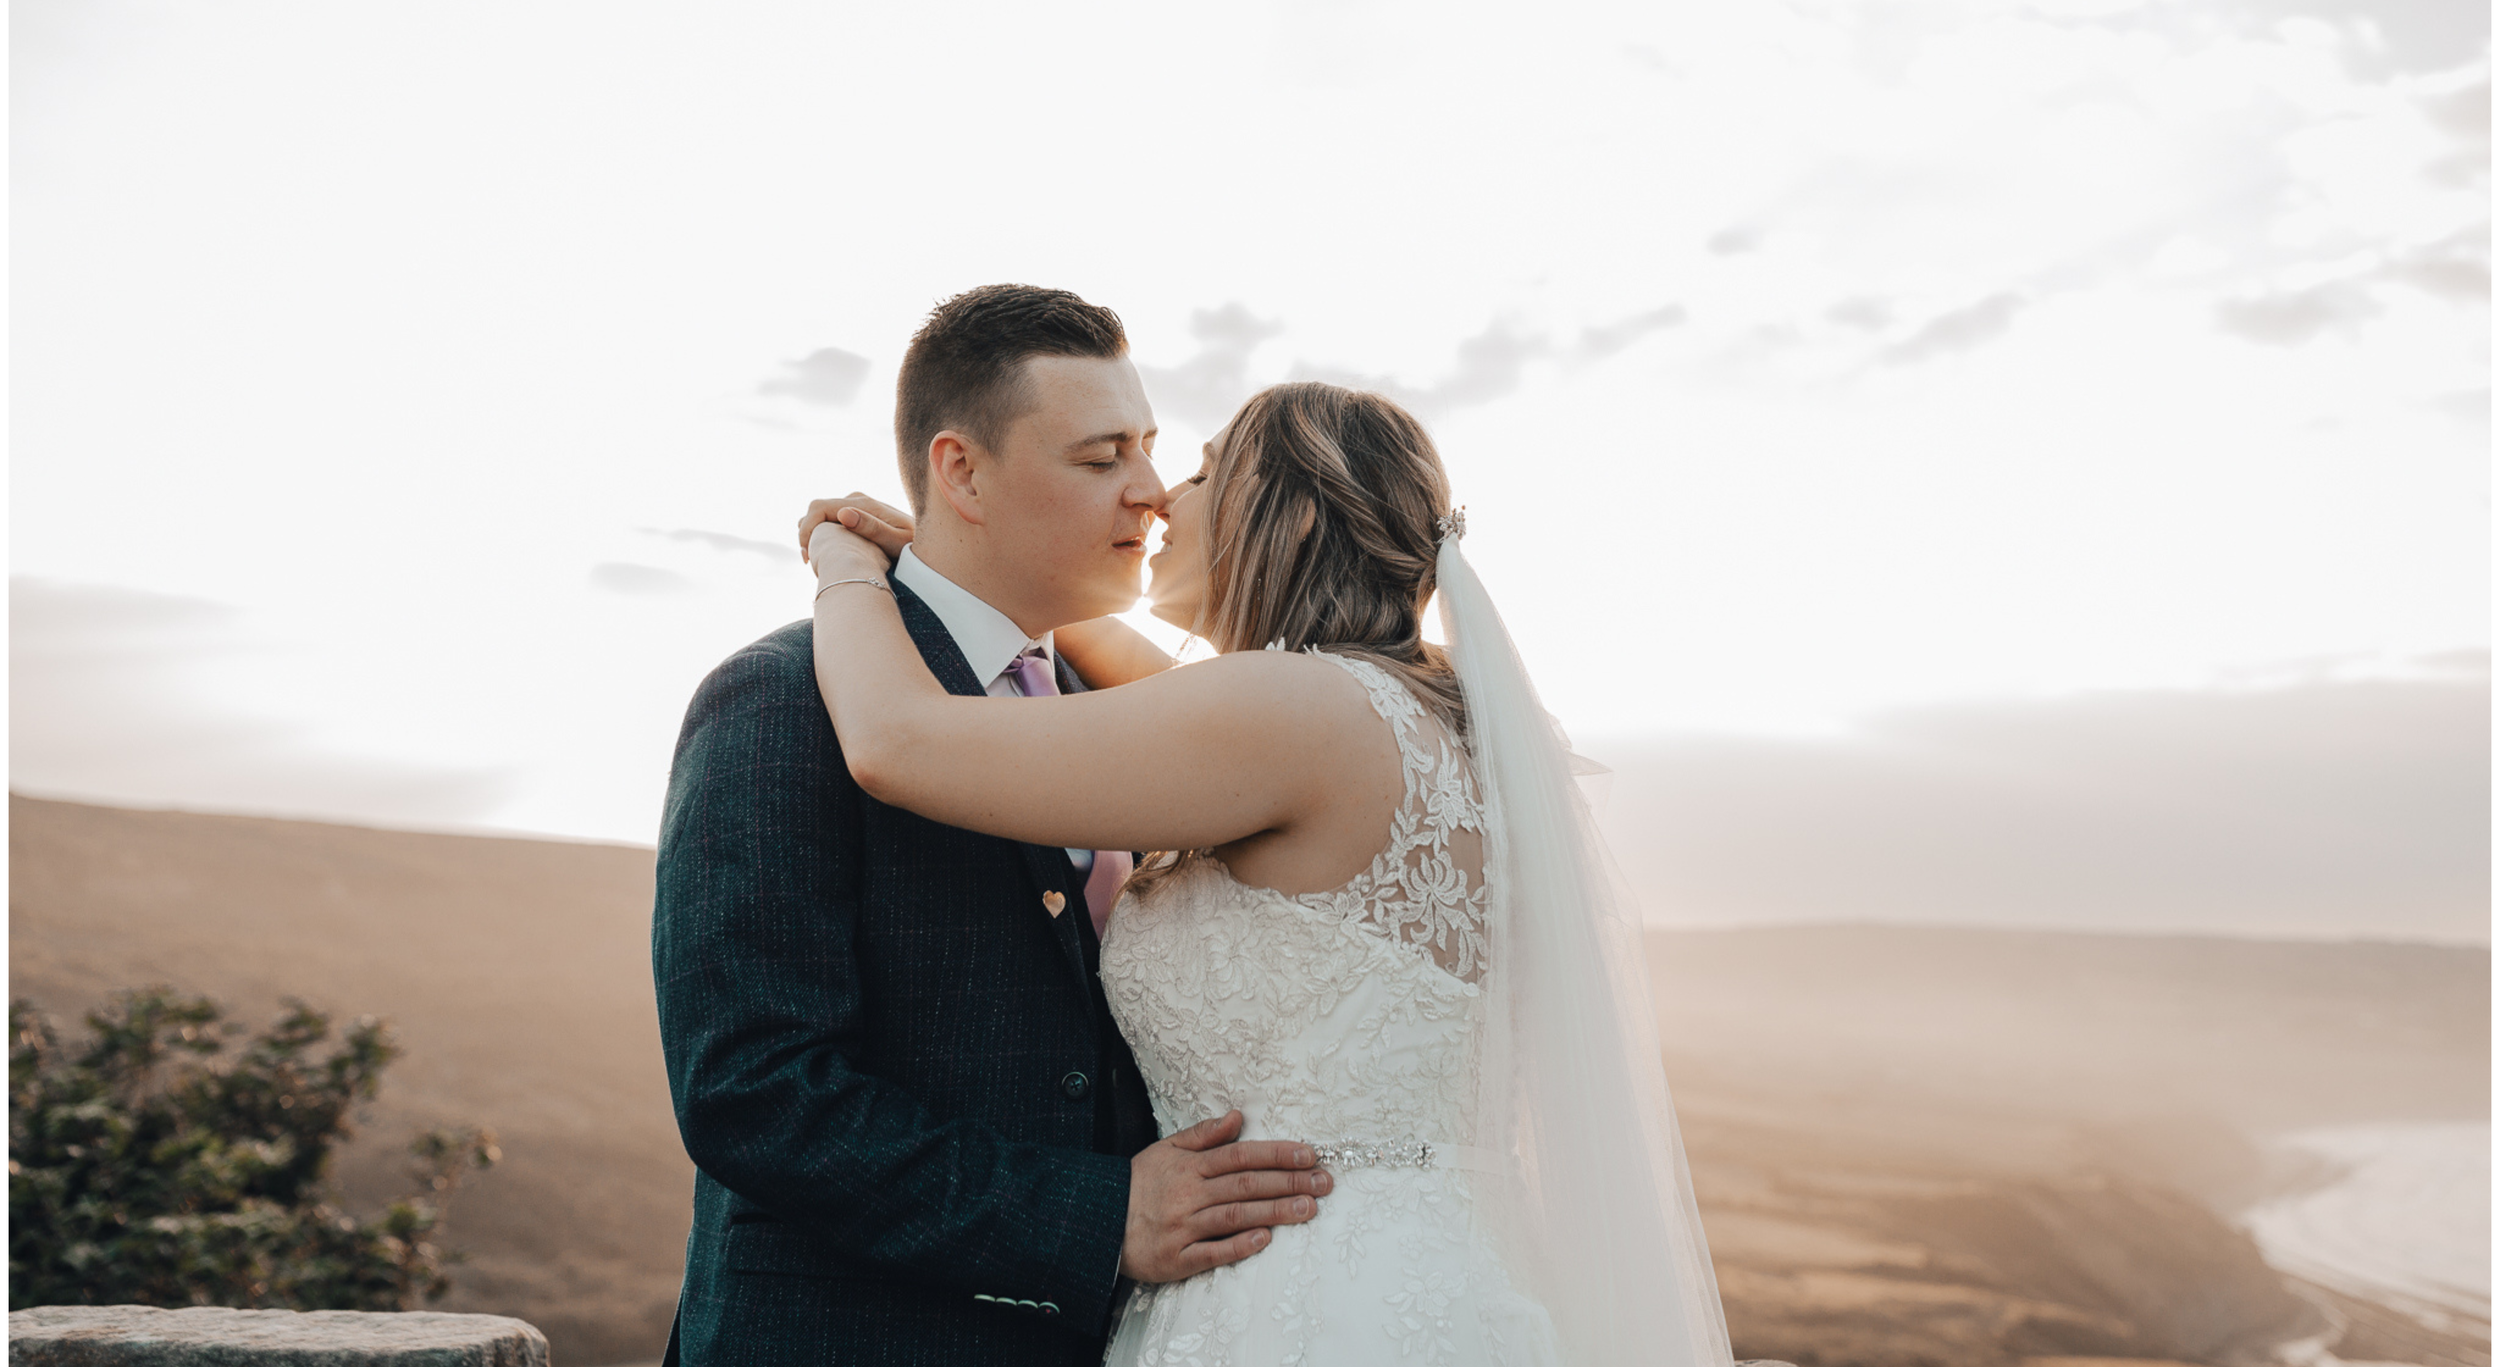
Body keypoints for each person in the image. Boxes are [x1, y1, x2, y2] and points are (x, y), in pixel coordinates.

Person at [800, 381, 1736, 1365]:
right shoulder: (1437, 718)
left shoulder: (1291, 711)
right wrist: (969, 575)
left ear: (1282, 514)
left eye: (1204, 469)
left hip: (1305, 1300)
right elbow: (1155, 695)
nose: (1164, 497)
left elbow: (896, 741)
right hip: (1442, 1270)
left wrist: (847, 566)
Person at [652, 285, 1332, 1367]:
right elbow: (754, 1093)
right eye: (1102, 455)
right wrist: (1094, 1214)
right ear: (961, 470)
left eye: (1151, 448)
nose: (1152, 493)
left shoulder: (1130, 718)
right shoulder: (780, 700)